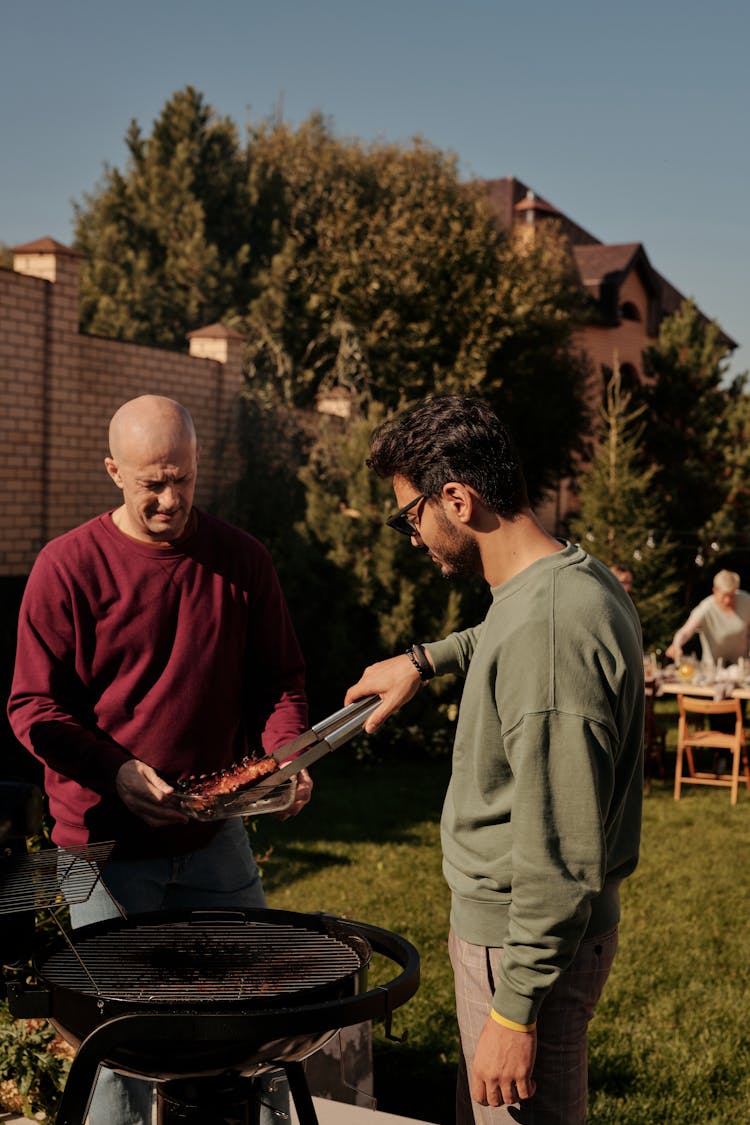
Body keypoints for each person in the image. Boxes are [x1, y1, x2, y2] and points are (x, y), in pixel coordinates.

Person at [7, 394, 312, 1125]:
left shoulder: (241, 561)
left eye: (182, 478)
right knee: (118, 1048)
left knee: (260, 1021)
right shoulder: (66, 566)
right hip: (95, 845)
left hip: (214, 834)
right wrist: (114, 769)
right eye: (152, 482)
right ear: (114, 470)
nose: (170, 498)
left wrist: (287, 755)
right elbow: (32, 708)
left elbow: (281, 680)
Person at [344, 396, 644, 1125]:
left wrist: (515, 1011)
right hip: (522, 938)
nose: (411, 536)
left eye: (409, 515)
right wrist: (425, 660)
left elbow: (560, 854)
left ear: (457, 498)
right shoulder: (565, 579)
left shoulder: (548, 635)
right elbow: (500, 634)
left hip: (521, 942)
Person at [665, 569, 750, 671]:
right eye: (724, 595)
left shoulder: (746, 600)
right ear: (715, 590)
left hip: (741, 667)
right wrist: (676, 645)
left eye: (732, 595)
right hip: (713, 669)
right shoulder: (706, 608)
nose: (728, 600)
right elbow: (685, 632)